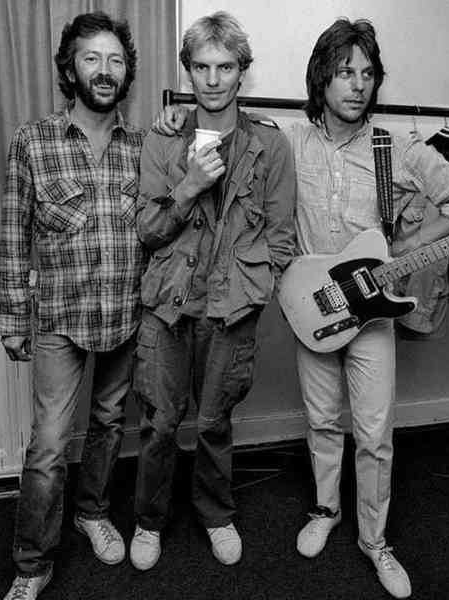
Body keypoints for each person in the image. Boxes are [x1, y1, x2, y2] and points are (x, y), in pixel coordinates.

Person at [152, 17, 449, 599]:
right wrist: (174, 118)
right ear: (321, 78)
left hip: (371, 313)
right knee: (322, 422)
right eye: (345, 72)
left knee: (374, 434)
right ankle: (326, 510)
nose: (357, 85)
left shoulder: (394, 147)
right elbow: (225, 134)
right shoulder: (288, 140)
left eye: (367, 75)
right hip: (312, 309)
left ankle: (376, 542)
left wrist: (405, 247)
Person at [129, 11, 295, 571]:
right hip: (167, 306)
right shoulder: (163, 136)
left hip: (231, 307)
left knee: (215, 422)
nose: (213, 78)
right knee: (158, 423)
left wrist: (258, 285)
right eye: (201, 66)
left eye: (225, 67)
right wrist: (190, 184)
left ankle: (216, 512)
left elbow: (280, 233)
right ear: (188, 71)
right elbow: (148, 231)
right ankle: (149, 520)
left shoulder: (270, 145)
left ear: (241, 73)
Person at [0, 11, 146, 600]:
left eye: (115, 59)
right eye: (92, 58)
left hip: (125, 315)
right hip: (60, 316)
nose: (105, 70)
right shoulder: (32, 141)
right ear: (69, 68)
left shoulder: (144, 145)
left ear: (127, 71)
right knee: (51, 443)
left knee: (109, 425)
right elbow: (13, 234)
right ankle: (32, 564)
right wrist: (12, 315)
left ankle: (93, 511)